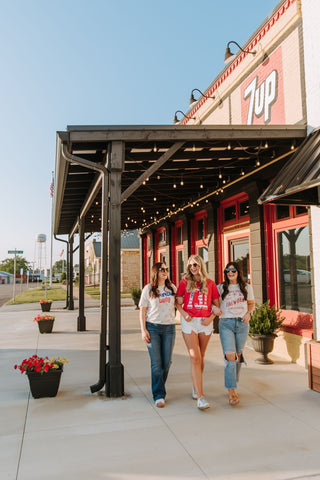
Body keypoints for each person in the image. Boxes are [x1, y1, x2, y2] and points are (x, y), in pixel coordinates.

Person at [176, 255, 222, 410]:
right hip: (190, 322)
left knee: (201, 356)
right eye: (190, 266)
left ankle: (196, 386)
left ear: (201, 265)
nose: (192, 268)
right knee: (195, 357)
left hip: (205, 322)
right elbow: (177, 301)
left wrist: (211, 318)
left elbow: (217, 305)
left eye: (195, 264)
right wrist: (184, 314)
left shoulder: (210, 284)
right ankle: (201, 397)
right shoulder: (184, 283)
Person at [139, 262, 176, 408]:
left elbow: (179, 303)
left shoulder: (172, 288)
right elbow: (142, 310)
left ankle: (158, 385)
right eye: (162, 269)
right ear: (156, 272)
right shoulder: (148, 289)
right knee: (156, 363)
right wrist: (143, 330)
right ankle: (159, 394)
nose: (165, 271)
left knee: (167, 362)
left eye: (167, 269)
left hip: (169, 328)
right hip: (152, 328)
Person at [217, 261, 255, 406]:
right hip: (226, 323)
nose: (230, 272)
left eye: (233, 270)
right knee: (230, 354)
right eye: (227, 270)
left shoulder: (246, 287)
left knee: (238, 356)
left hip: (242, 324)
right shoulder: (220, 288)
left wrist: (249, 314)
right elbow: (214, 303)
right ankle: (231, 391)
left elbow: (251, 304)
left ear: (238, 272)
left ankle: (233, 379)